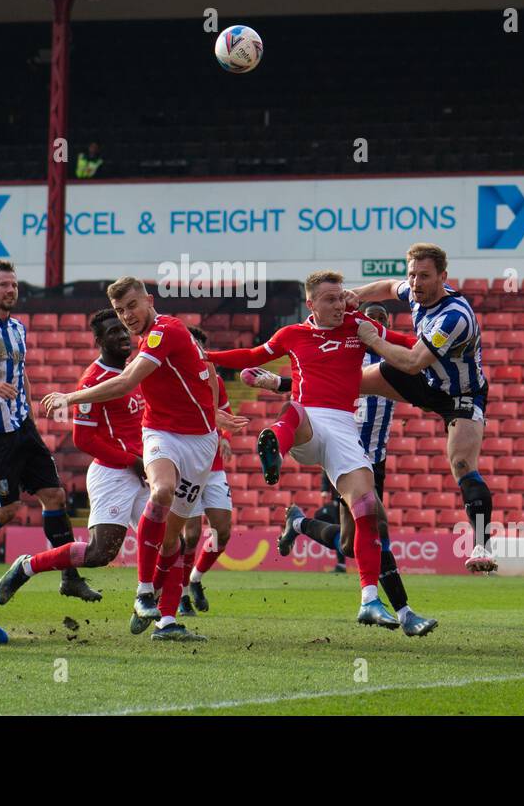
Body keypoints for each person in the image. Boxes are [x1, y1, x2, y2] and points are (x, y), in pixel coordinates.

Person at [203, 271, 436, 635]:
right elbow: (252, 354)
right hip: (308, 422)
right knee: (294, 411)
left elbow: (408, 342)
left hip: (344, 429)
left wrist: (443, 343)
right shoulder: (293, 335)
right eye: (329, 299)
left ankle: (369, 601)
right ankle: (275, 451)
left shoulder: (358, 326)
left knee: (367, 509)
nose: (338, 305)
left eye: (341, 297)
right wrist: (207, 355)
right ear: (310, 304)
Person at [40, 277, 247, 642]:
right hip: (161, 435)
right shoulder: (150, 340)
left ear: (149, 300)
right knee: (162, 490)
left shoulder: (166, 331)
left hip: (201, 445)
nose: (127, 316)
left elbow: (204, 374)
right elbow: (126, 385)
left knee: (174, 541)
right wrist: (72, 399)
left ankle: (166, 622)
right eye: (120, 311)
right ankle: (143, 592)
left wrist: (212, 414)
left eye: (131, 306)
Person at [0, 260, 100, 602]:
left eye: (14, 285)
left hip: (23, 427)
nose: (10, 290)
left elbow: (19, 372)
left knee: (54, 496)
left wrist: (30, 404)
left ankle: (69, 577)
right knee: (8, 509)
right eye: (3, 285)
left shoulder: (18, 329)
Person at [348, 242, 496, 573]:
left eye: (424, 276)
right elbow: (387, 287)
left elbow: (413, 362)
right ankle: (286, 389)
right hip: (429, 382)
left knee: (461, 462)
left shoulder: (454, 317)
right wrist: (354, 294)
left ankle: (482, 545)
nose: (415, 283)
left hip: (462, 395)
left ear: (443, 276)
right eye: (412, 274)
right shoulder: (415, 293)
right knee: (349, 382)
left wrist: (372, 338)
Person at [0, 309, 147, 605]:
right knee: (99, 554)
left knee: (166, 540)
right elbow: (84, 439)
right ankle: (27, 567)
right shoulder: (92, 381)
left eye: (123, 329)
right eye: (113, 332)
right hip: (114, 474)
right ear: (99, 341)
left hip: (142, 471)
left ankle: (157, 607)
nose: (122, 336)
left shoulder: (134, 371)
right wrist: (131, 461)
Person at [172, 325, 235, 617]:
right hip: (187, 468)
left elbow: (226, 415)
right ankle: (181, 593)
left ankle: (195, 579)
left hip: (213, 468)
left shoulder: (215, 380)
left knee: (222, 531)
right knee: (192, 533)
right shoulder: (171, 380)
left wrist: (225, 438)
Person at [314, 487, 346, 572]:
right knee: (339, 532)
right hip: (340, 500)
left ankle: (342, 564)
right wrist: (324, 489)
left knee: (341, 532)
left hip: (344, 499)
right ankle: (341, 564)